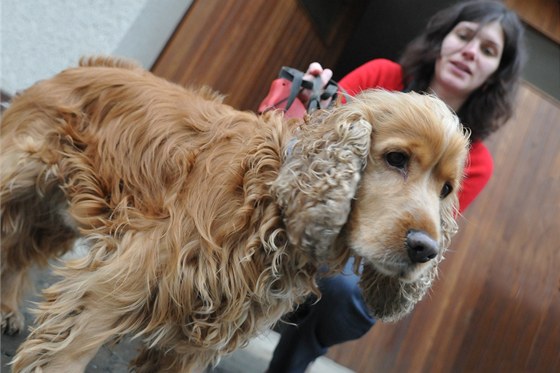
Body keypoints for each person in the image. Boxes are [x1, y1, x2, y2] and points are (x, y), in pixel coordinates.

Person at [265, 1, 526, 372]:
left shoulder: (477, 161)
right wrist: (311, 106)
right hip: (319, 204)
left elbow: (426, 223)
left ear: (496, 73)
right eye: (465, 36)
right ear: (442, 40)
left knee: (345, 294)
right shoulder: (382, 76)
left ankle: (288, 365)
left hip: (368, 252)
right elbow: (320, 147)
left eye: (488, 51)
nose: (470, 52)